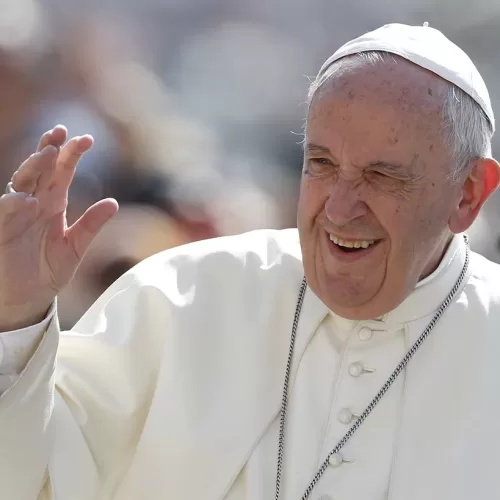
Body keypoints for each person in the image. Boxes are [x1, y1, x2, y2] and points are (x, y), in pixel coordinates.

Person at [0, 22, 499, 500]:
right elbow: (27, 482)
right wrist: (16, 317)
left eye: (383, 176)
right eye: (321, 165)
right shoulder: (181, 298)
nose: (341, 210)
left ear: (468, 194)